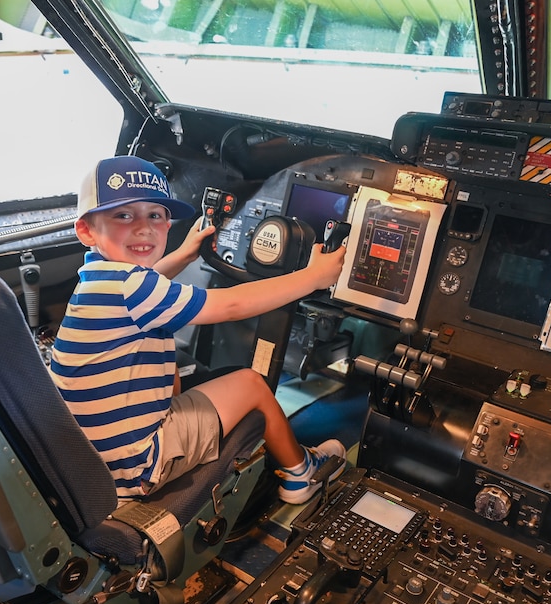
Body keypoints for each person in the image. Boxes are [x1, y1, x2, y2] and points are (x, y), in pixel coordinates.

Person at [48, 155, 348, 504]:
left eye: (155, 215)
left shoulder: (100, 278)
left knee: (180, 374)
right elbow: (232, 305)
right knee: (251, 384)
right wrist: (313, 278)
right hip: (137, 467)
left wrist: (185, 256)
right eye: (124, 215)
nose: (143, 227)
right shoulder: (134, 288)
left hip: (95, 461)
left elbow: (148, 289)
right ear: (86, 230)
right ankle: (301, 475)